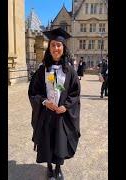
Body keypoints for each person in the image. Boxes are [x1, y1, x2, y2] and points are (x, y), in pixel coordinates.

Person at [28, 27, 81, 180]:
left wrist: (66, 106)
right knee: (47, 141)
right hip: (46, 114)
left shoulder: (70, 71)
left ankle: (58, 168)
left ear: (63, 48)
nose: (56, 48)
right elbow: (33, 91)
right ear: (49, 48)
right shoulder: (42, 70)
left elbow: (75, 93)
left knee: (59, 142)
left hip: (61, 115)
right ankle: (49, 167)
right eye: (53, 45)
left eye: (59, 45)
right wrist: (44, 101)